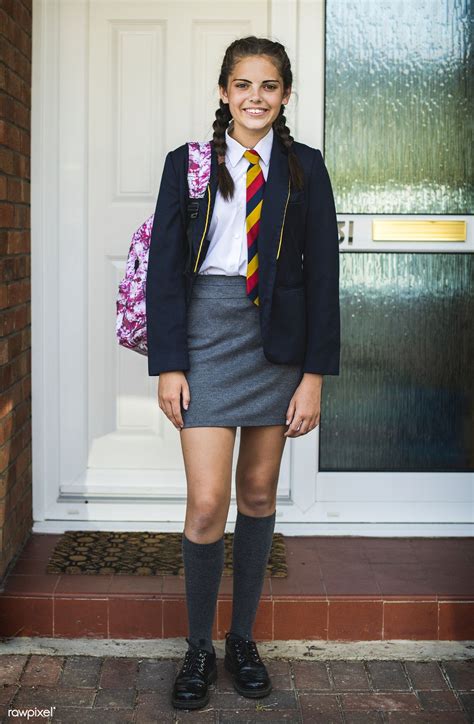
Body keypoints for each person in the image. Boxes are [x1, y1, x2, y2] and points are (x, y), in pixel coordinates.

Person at [145, 36, 340, 711]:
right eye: (243, 84)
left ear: (285, 95)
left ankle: (241, 639)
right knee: (207, 503)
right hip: (203, 337)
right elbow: (163, 273)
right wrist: (168, 363)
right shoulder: (190, 165)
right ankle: (198, 647)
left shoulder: (306, 169)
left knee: (257, 495)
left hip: (276, 348)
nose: (255, 97)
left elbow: (323, 279)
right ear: (224, 91)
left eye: (269, 86)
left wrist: (314, 375)